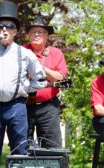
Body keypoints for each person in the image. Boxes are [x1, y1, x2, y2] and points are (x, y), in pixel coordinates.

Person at [0, 1, 47, 168]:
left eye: (9, 26)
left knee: (19, 155)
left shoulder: (25, 53)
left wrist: (24, 88)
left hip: (17, 107)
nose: (4, 29)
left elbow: (41, 80)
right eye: (1, 26)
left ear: (15, 31)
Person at [23, 16, 68, 149]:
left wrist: (39, 67)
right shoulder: (19, 51)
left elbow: (60, 78)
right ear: (28, 35)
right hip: (22, 106)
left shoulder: (56, 53)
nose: (36, 34)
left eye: (40, 32)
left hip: (48, 108)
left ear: (47, 35)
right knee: (21, 147)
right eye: (33, 32)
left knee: (53, 148)